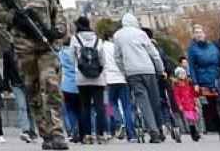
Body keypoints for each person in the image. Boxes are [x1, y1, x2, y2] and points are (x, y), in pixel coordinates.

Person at [0, 0, 69, 151]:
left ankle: (58, 133)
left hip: (45, 48)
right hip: (24, 50)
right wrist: (14, 19)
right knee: (33, 92)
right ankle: (46, 135)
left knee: (52, 87)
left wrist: (54, 32)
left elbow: (59, 15)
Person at [114, 13, 167, 143]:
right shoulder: (141, 34)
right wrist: (160, 69)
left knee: (143, 102)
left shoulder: (117, 36)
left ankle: (153, 131)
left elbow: (117, 57)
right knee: (155, 100)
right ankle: (160, 127)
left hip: (132, 72)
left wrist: (124, 71)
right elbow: (153, 53)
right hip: (148, 70)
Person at [189, 26, 220, 141]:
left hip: (218, 79)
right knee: (213, 107)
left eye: (200, 32)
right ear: (193, 36)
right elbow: (192, 67)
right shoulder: (192, 50)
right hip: (204, 81)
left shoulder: (213, 46)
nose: (199, 34)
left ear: (204, 34)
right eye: (196, 32)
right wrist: (195, 83)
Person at [74, 16, 111, 144]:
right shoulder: (97, 39)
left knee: (85, 107)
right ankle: (101, 134)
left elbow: (72, 57)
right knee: (100, 106)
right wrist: (100, 72)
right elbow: (102, 59)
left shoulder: (75, 39)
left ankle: (87, 135)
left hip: (82, 77)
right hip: (97, 77)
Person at [9, 43, 36, 141]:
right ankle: (25, 130)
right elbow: (7, 69)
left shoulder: (28, 51)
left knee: (30, 107)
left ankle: (32, 131)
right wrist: (6, 86)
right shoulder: (8, 53)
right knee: (22, 106)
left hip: (28, 83)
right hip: (16, 84)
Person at [61, 38, 83, 143]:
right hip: (80, 83)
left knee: (68, 109)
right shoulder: (76, 53)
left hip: (66, 85)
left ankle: (72, 130)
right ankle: (112, 126)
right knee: (82, 109)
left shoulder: (60, 53)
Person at [175, 68, 203, 141]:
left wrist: (195, 100)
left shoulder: (188, 84)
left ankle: (196, 132)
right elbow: (177, 96)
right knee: (190, 120)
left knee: (195, 119)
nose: (182, 75)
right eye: (180, 74)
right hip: (185, 105)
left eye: (183, 73)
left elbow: (193, 94)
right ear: (177, 75)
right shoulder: (177, 85)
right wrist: (179, 104)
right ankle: (194, 134)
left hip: (191, 104)